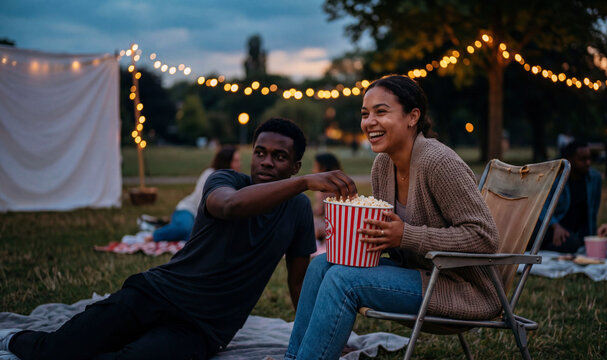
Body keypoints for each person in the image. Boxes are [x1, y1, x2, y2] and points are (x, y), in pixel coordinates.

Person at [1, 117, 357, 360]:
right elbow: (229, 208)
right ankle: (10, 339)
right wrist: (303, 183)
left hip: (201, 328)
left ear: (295, 165)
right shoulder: (224, 181)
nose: (266, 162)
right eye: (260, 152)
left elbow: (299, 282)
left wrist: (316, 336)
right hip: (155, 293)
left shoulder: (296, 210)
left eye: (280, 157)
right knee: (58, 351)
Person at [285, 75, 500, 360]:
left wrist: (406, 235)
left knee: (342, 279)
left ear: (413, 117)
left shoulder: (440, 162)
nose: (369, 122)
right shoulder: (383, 165)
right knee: (322, 265)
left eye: (381, 111)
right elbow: (393, 237)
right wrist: (358, 234)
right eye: (365, 114)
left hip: (461, 290)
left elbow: (485, 237)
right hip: (418, 275)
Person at [144, 145, 241, 243]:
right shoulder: (210, 175)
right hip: (188, 210)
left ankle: (167, 224)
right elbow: (201, 203)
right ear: (226, 161)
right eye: (235, 161)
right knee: (186, 230)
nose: (239, 164)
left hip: (204, 218)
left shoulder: (235, 180)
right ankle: (154, 235)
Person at [540, 140, 602, 253]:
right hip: (549, 226)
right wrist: (555, 226)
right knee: (529, 234)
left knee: (574, 244)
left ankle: (543, 247)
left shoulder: (595, 179)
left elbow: (593, 210)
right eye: (583, 159)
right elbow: (542, 205)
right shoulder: (556, 178)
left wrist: (592, 237)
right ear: (569, 160)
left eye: (589, 158)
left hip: (570, 231)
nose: (588, 163)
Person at [312, 153, 342, 241]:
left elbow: (319, 211)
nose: (313, 170)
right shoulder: (339, 184)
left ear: (323, 168)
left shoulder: (324, 189)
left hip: (328, 226)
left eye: (315, 167)